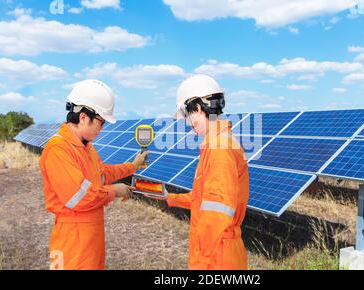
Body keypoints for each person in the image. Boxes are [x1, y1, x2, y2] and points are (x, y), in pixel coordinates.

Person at [39, 79, 148, 270]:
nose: (102, 128)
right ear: (83, 117)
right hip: (72, 239)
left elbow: (102, 174)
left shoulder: (85, 148)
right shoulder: (58, 149)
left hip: (90, 235)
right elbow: (79, 197)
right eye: (101, 122)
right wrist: (114, 191)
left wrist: (133, 166)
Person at [147, 74, 250, 270]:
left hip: (216, 257)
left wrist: (201, 263)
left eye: (187, 116)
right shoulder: (217, 144)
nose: (187, 123)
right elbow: (204, 199)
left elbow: (217, 214)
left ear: (197, 108)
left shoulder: (219, 149)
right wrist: (170, 197)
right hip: (217, 251)